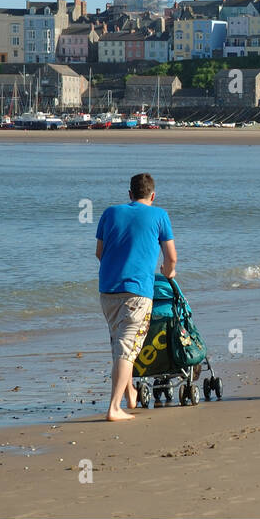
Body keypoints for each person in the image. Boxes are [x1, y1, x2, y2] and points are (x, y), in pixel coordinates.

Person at [95, 173, 176, 422]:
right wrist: (168, 274)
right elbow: (171, 258)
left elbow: (99, 253)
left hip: (108, 290)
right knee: (127, 349)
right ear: (153, 195)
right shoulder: (160, 215)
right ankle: (113, 408)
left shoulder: (110, 213)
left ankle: (130, 393)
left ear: (129, 194)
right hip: (137, 292)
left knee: (119, 344)